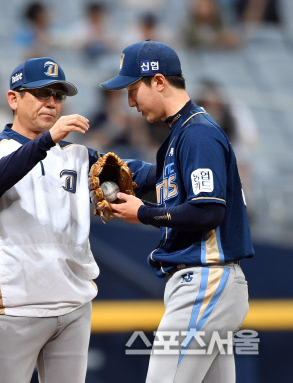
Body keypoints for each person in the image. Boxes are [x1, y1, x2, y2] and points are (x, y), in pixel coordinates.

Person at [100, 40, 254, 383]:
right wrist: (98, 164)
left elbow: (208, 212)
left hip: (205, 279)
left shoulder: (198, 134)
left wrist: (144, 214)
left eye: (133, 89)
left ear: (158, 81)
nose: (129, 102)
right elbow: (155, 177)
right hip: (208, 283)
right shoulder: (181, 136)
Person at [0, 57, 100, 383]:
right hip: (16, 306)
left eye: (58, 95)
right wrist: (47, 141)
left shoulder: (78, 155)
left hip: (73, 304)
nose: (52, 102)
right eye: (41, 93)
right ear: (14, 98)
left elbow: (137, 174)